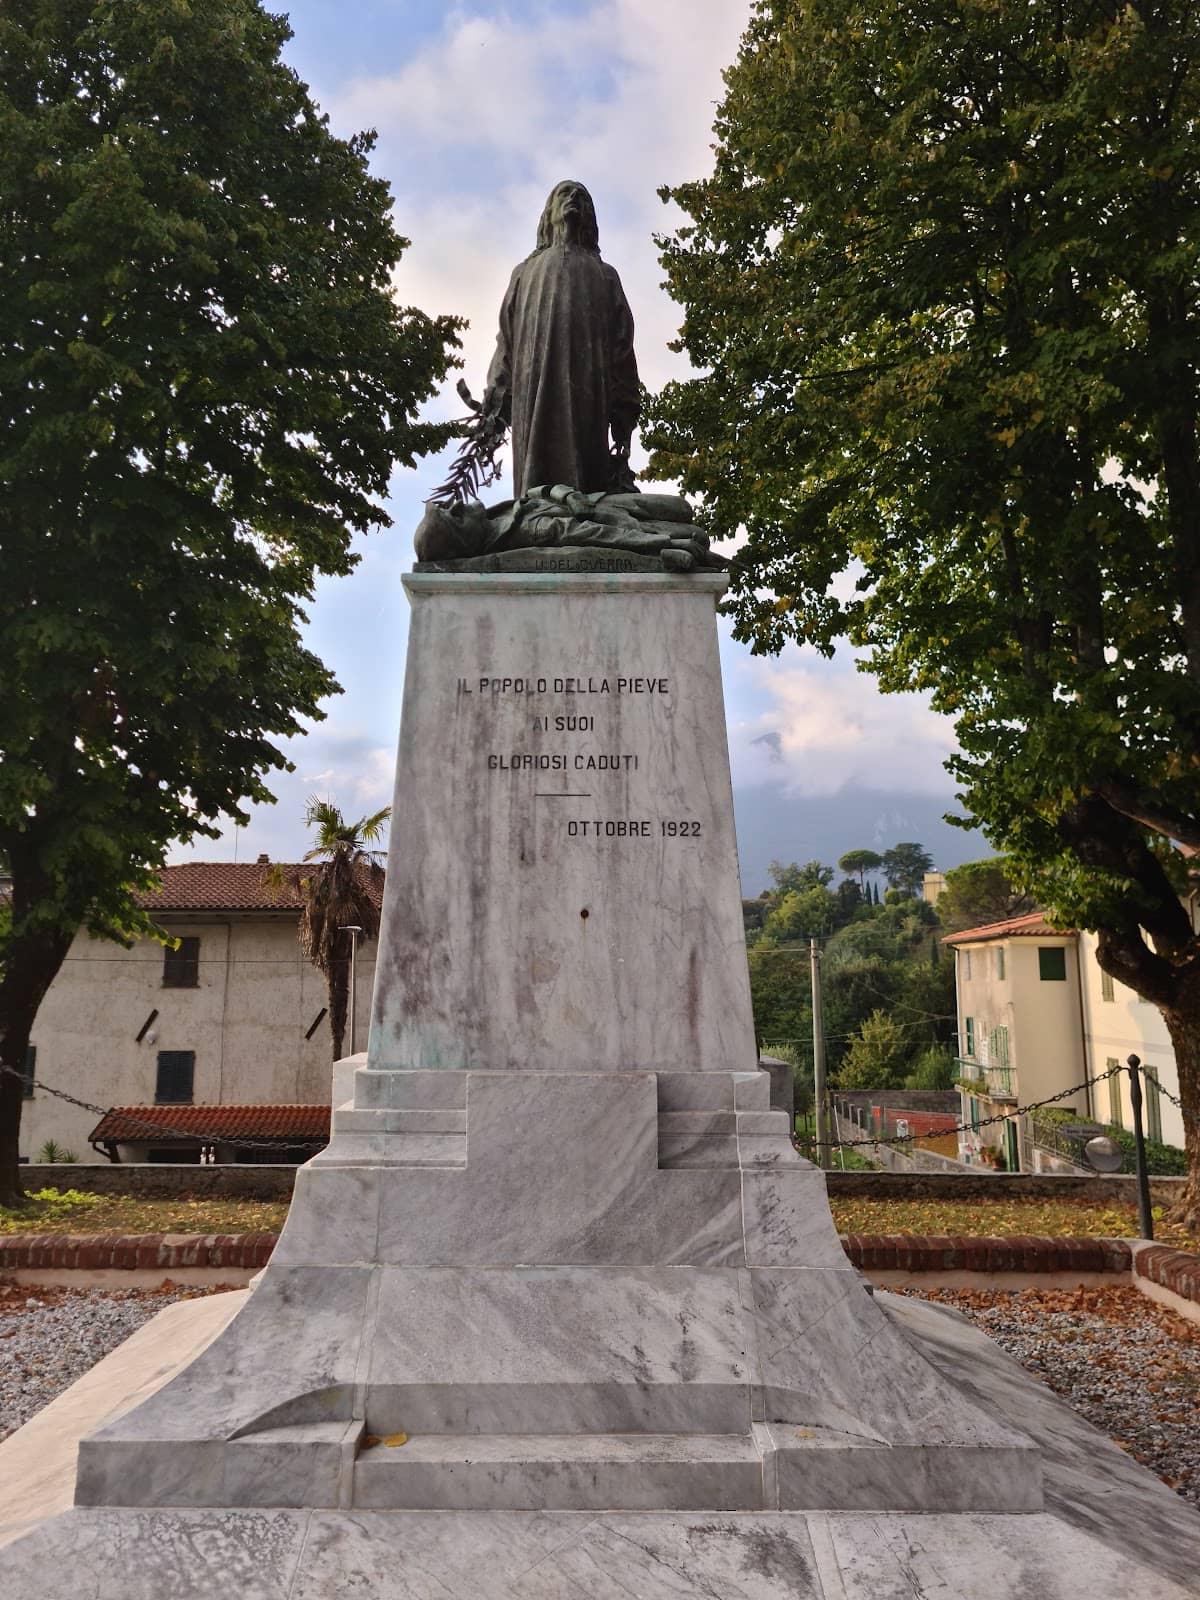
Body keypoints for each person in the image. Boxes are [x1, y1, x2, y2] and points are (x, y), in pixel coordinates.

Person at [485, 180, 640, 497]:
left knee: (587, 474)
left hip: (588, 388)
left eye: (582, 197)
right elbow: (507, 340)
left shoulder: (605, 275)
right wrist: (497, 397)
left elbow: (622, 347)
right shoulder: (524, 272)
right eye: (565, 194)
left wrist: (623, 417)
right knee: (534, 474)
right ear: (548, 214)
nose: (573, 199)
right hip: (534, 384)